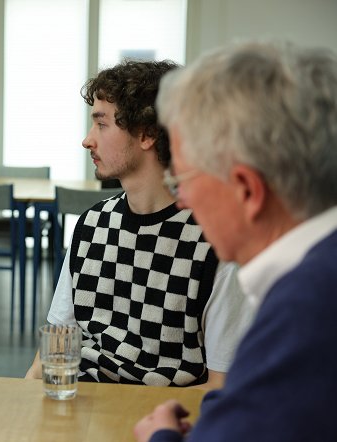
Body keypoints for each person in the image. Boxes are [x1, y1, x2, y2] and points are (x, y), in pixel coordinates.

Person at [134, 41, 337, 441]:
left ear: (246, 190)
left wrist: (160, 437)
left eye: (183, 180)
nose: (180, 199)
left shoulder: (307, 305)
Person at [26, 60, 253, 388]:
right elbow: (50, 357)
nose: (87, 140)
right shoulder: (91, 224)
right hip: (82, 409)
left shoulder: (216, 242)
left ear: (147, 133)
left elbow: (220, 387)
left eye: (101, 125)